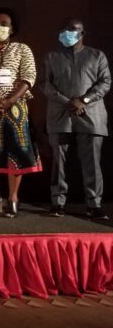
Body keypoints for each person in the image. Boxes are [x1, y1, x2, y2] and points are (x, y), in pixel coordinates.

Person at [41, 18, 111, 220]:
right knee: (59, 163)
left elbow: (105, 82)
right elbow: (44, 83)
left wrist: (84, 100)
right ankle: (58, 203)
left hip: (91, 116)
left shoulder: (97, 55)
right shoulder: (52, 56)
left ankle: (94, 205)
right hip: (60, 115)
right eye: (64, 29)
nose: (67, 32)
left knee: (92, 163)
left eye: (72, 29)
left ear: (82, 33)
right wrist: (68, 102)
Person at [0, 9, 41, 218]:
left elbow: (29, 77)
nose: (0, 27)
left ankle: (13, 198)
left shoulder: (22, 49)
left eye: (4, 24)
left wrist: (9, 101)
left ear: (12, 29)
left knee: (15, 153)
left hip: (14, 108)